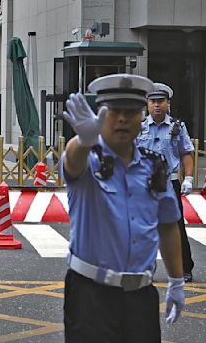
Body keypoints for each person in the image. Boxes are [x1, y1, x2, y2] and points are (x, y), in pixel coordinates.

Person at [61, 74, 185, 343]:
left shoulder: (155, 166)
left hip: (140, 295)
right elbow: (72, 162)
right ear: (101, 116)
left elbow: (167, 225)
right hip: (90, 295)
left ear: (142, 119)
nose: (122, 119)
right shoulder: (89, 160)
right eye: (113, 111)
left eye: (130, 112)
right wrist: (82, 140)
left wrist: (176, 280)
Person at [136, 83, 195, 282]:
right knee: (144, 227)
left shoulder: (177, 127)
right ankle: (145, 267)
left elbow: (186, 153)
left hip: (169, 183)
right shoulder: (139, 126)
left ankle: (184, 268)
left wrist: (188, 178)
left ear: (168, 103)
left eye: (160, 101)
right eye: (153, 102)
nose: (157, 106)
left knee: (176, 227)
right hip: (144, 184)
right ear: (147, 104)